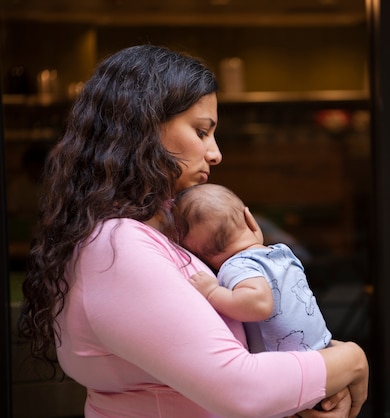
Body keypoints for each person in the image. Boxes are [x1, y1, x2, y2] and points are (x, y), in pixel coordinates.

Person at [18, 44, 368, 418]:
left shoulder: (152, 232)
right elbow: (241, 389)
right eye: (202, 132)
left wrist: (308, 388)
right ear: (144, 127)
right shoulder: (118, 245)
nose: (215, 154)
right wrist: (350, 359)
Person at [172, 183, 331, 353]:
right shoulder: (282, 253)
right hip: (322, 347)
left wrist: (212, 292)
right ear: (250, 218)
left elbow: (259, 304)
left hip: (291, 363)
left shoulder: (238, 266)